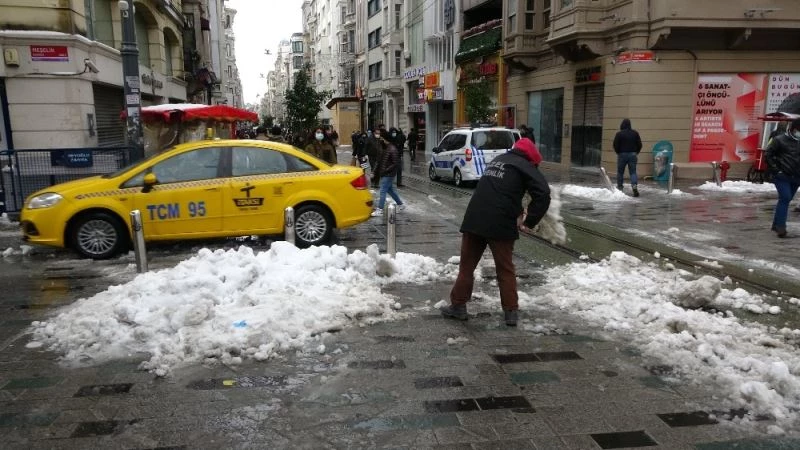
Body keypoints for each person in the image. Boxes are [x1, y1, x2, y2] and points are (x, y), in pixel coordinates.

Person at [440, 137, 550, 327]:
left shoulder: (499, 160)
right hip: (500, 222)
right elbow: (543, 194)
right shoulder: (526, 166)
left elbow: (499, 190)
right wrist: (529, 221)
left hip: (475, 218)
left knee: (467, 266)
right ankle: (511, 312)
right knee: (505, 268)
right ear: (532, 158)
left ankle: (458, 306)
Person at [765, 118, 800, 238]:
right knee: (785, 198)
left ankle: (776, 224)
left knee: (786, 200)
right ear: (793, 128)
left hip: (796, 177)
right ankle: (781, 227)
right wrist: (776, 170)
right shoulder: (779, 139)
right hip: (782, 175)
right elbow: (768, 155)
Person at [370, 129, 406, 217]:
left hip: (389, 174)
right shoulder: (384, 147)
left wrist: (386, 170)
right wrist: (374, 171)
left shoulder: (392, 149)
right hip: (384, 173)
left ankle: (380, 209)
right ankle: (401, 205)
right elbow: (379, 161)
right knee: (390, 190)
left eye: (382, 138)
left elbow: (395, 163)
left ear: (385, 139)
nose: (380, 139)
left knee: (382, 190)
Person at [613, 118, 643, 197]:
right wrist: (636, 152)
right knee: (633, 172)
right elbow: (640, 144)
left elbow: (615, 145)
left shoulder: (619, 134)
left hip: (622, 154)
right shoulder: (635, 133)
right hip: (633, 155)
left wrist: (618, 152)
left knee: (620, 172)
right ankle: (634, 186)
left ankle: (620, 188)